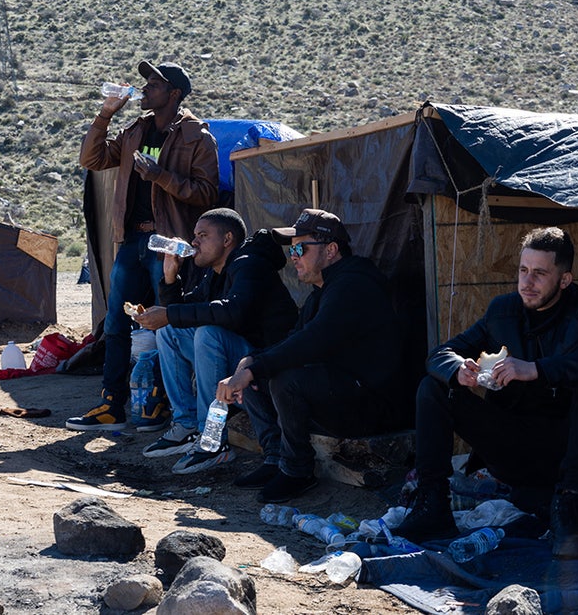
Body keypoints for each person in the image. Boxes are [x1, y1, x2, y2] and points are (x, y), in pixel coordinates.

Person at [395, 226, 578, 552]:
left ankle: (568, 509)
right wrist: (458, 369)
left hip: (572, 450)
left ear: (564, 280)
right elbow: (440, 354)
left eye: (540, 274)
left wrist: (536, 370)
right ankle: (432, 505)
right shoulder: (502, 311)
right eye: (523, 270)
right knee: (434, 386)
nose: (527, 282)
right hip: (513, 444)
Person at [216, 208, 411, 504]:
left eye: (300, 248)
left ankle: (297, 471)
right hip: (341, 391)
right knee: (257, 376)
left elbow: (313, 341)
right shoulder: (322, 291)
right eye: (291, 249)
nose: (293, 256)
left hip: (371, 404)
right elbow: (293, 339)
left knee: (283, 378)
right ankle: (275, 460)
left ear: (331, 250)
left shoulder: (354, 284)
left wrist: (256, 367)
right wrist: (251, 363)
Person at [67, 60, 219, 430]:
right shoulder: (134, 131)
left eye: (154, 85)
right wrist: (105, 115)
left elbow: (207, 194)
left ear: (174, 94)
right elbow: (91, 158)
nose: (145, 90)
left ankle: (164, 407)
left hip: (167, 245)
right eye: (146, 84)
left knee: (167, 324)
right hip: (131, 239)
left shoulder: (197, 137)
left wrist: (160, 177)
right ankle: (111, 406)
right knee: (118, 323)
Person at [133, 208, 298, 475]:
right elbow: (182, 311)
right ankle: (186, 426)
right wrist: (170, 276)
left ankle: (211, 440)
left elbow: (232, 311)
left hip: (265, 362)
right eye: (194, 236)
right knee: (169, 332)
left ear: (227, 239)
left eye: (203, 235)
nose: (194, 242)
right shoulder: (216, 273)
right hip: (236, 359)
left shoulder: (249, 264)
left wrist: (170, 314)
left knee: (208, 334)